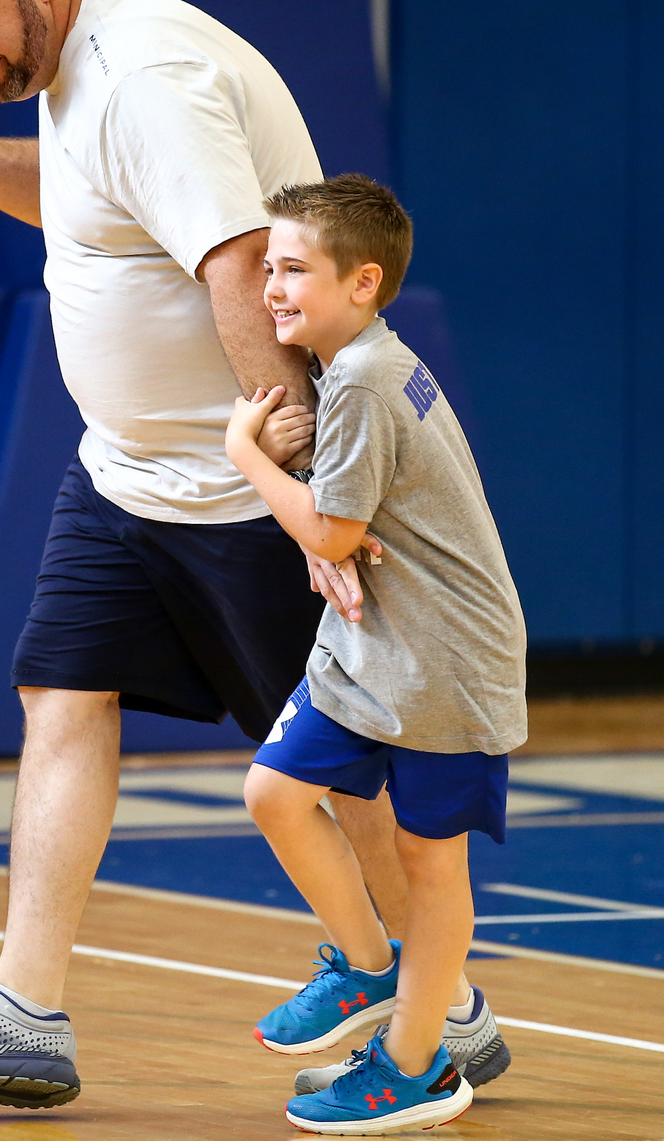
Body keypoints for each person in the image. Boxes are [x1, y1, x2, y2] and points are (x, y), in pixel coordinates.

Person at [0, 0, 510, 1111]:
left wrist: (294, 465)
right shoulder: (72, 72)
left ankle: (436, 1010)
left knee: (334, 777)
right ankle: (21, 1011)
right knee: (61, 692)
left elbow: (235, 257)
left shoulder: (145, 74)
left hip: (239, 488)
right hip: (125, 477)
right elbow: (95, 205)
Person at [225, 175, 527, 1134]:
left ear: (363, 282)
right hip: (372, 645)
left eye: (293, 269)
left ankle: (416, 1065)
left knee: (430, 867)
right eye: (268, 266)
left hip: (443, 659)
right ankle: (366, 967)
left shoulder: (361, 380)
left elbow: (333, 532)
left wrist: (250, 457)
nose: (271, 288)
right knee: (274, 791)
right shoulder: (362, 362)